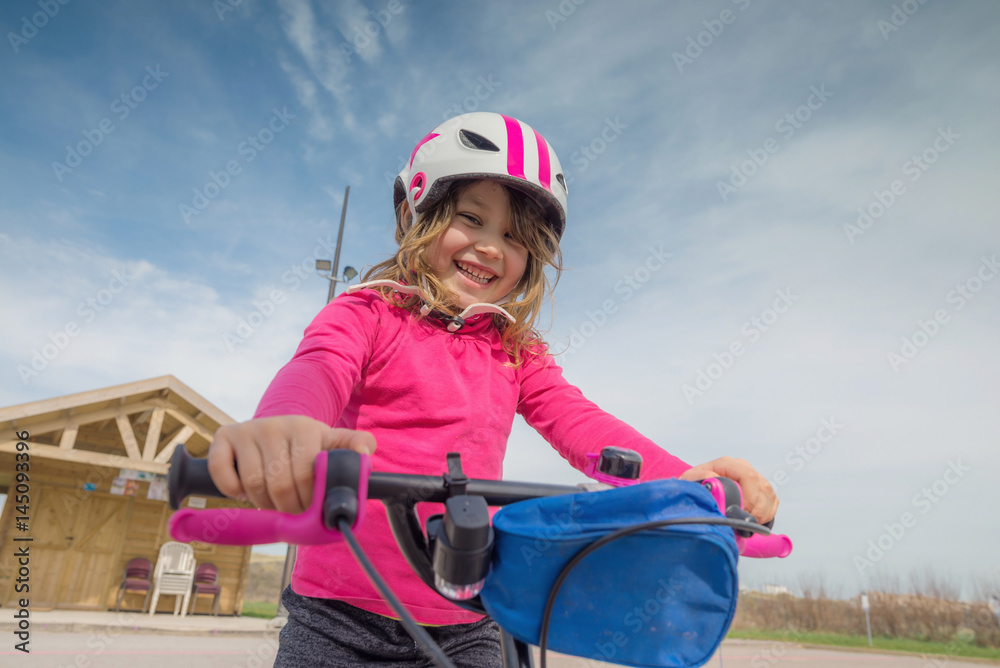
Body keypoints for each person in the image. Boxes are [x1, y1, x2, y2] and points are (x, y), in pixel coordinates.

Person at [206, 112, 778, 667]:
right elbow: (318, 368)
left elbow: (579, 421)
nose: (490, 247)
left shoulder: (514, 350)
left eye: (513, 236)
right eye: (471, 219)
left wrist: (682, 483)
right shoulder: (368, 313)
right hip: (336, 617)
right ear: (414, 214)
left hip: (467, 617)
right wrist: (286, 424)